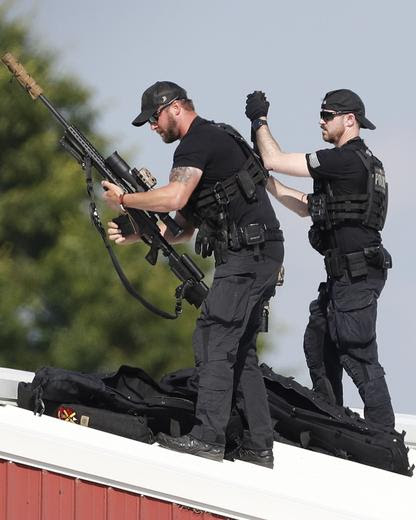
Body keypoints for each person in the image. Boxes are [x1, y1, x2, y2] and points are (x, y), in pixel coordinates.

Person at [103, 81, 284, 467]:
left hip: (247, 254)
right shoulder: (211, 141)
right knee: (240, 349)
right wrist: (137, 232)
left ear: (174, 109)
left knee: (214, 336)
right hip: (257, 252)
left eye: (153, 119)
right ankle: (258, 444)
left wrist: (125, 198)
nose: (153, 127)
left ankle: (207, 438)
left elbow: (173, 198)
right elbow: (182, 227)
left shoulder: (197, 142)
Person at [244, 89, 395, 429]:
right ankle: (334, 421)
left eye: (327, 115)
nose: (321, 121)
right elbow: (304, 205)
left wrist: (259, 121)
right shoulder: (354, 165)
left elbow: (274, 157)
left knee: (356, 354)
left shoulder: (344, 160)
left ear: (349, 120)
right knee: (319, 343)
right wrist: (265, 181)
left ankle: (383, 436)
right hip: (346, 276)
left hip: (356, 275)